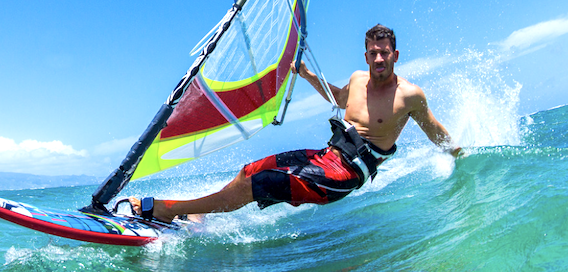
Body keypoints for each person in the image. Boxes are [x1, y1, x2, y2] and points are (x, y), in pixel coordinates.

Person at [131, 24, 461, 223]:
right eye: (373, 53)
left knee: (256, 186)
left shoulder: (409, 96)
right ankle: (198, 211)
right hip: (325, 156)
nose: (378, 58)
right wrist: (306, 75)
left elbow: (434, 130)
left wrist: (458, 153)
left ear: (395, 55)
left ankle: (168, 209)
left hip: (344, 175)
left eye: (384, 53)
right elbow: (337, 99)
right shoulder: (358, 80)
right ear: (365, 56)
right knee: (249, 171)